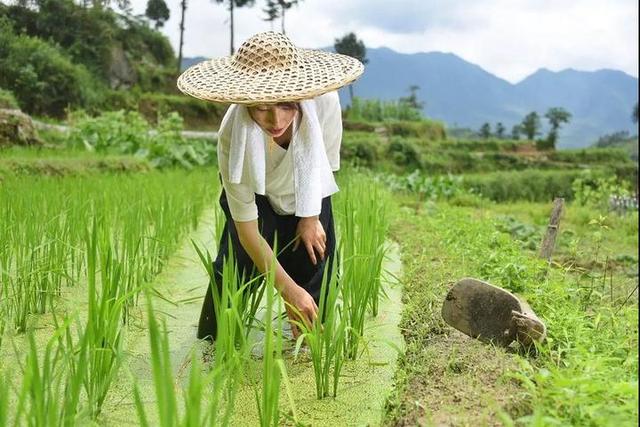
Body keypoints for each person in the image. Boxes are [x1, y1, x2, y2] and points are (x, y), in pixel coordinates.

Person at [176, 31, 364, 341]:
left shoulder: (325, 101)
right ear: (245, 102)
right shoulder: (231, 137)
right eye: (262, 108)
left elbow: (324, 166)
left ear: (301, 95)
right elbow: (248, 232)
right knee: (233, 273)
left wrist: (310, 218)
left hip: (308, 193)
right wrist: (288, 290)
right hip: (256, 193)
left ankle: (309, 347)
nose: (276, 119)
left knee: (315, 262)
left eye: (286, 105)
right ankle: (215, 341)